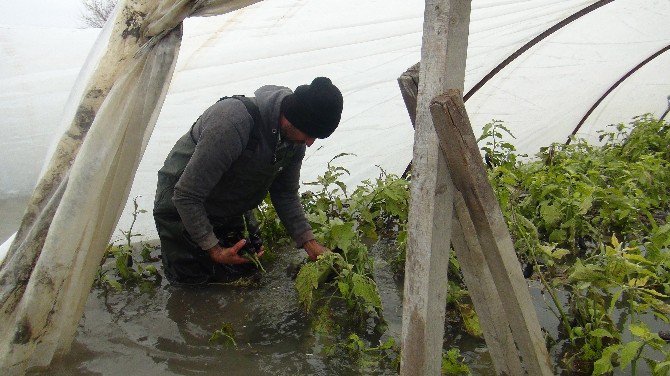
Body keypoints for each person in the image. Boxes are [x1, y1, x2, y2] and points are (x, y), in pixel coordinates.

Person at [153, 77, 344, 285]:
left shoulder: (293, 140)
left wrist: (309, 243)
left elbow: (285, 193)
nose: (309, 143)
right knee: (195, 286)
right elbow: (186, 195)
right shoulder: (232, 122)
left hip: (228, 205)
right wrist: (214, 250)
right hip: (180, 207)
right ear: (291, 119)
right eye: (309, 134)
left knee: (248, 276)